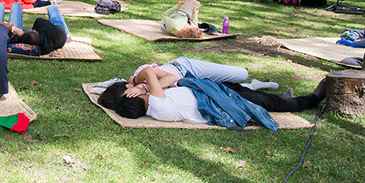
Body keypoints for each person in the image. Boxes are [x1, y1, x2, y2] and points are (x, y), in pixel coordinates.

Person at [100, 63, 327, 126]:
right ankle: (312, 99)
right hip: (220, 100)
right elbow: (150, 71)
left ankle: (285, 98)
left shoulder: (155, 107)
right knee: (270, 103)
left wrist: (143, 88)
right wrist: (139, 84)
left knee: (259, 96)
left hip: (215, 91)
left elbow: (170, 79)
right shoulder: (158, 104)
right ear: (133, 97)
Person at [0, 2, 69, 56]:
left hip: (6, 32)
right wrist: (13, 28)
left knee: (8, 5)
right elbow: (39, 20)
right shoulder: (44, 45)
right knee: (52, 8)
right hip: (60, 30)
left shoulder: (44, 48)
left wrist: (13, 29)